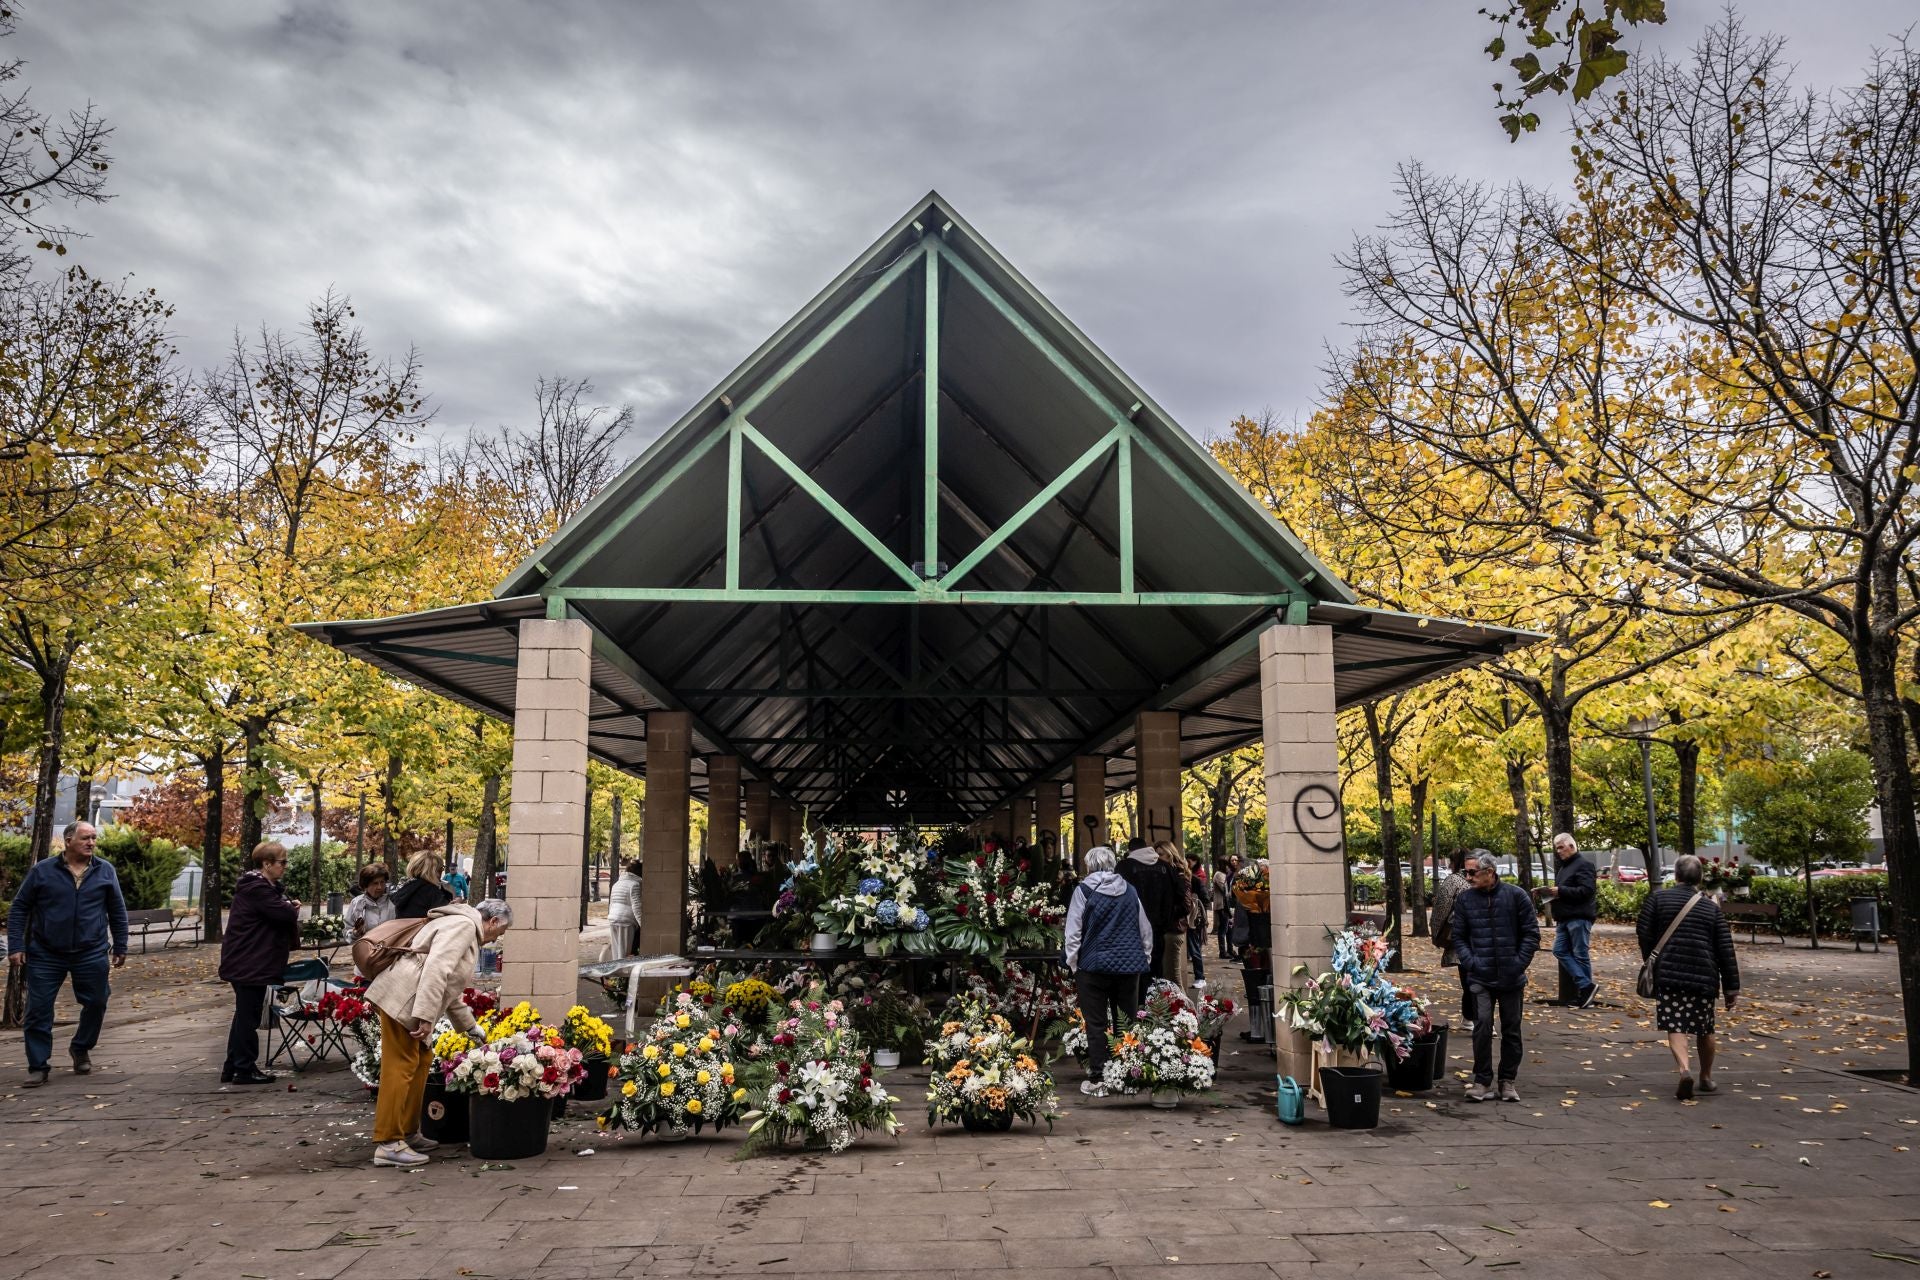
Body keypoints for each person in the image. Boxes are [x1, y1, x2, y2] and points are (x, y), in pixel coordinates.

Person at [363, 898, 514, 1167]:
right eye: (499, 933)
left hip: (408, 997)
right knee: (401, 1067)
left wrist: (470, 1026)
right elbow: (436, 970)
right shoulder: (464, 927)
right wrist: (424, 1015)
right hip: (403, 999)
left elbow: (449, 987)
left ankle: (407, 1132)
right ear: (493, 921)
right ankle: (388, 1142)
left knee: (419, 1061)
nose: (494, 940)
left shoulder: (460, 923)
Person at [6, 822, 128, 1087]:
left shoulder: (104, 870)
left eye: (94, 838)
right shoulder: (42, 871)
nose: (92, 843)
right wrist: (16, 946)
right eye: (86, 838)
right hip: (46, 953)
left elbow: (117, 911)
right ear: (68, 840)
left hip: (91, 951)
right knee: (38, 1010)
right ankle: (38, 1066)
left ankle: (81, 1047)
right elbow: (19, 909)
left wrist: (121, 946)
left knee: (97, 1002)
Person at [1637, 854, 1740, 1100]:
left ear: (1676, 875)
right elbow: (1725, 949)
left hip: (1670, 974)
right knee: (1705, 1028)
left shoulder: (1658, 898)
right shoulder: (1710, 908)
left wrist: (1652, 958)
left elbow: (1643, 929)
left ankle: (1684, 1070)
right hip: (1704, 975)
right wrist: (1731, 988)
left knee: (1675, 1024)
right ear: (1700, 878)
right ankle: (1706, 1077)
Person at [1062, 847, 1152, 1098]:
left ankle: (1099, 1078)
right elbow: (1144, 928)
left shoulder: (1083, 891)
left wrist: (1073, 963)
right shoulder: (1130, 891)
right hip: (1129, 967)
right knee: (1126, 1021)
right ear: (1112, 864)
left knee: (1096, 1023)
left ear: (1089, 866)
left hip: (1093, 966)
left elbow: (1073, 931)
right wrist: (1143, 957)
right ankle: (1127, 1077)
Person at [1451, 851, 1539, 1103]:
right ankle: (1481, 1080)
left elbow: (1531, 934)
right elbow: (1459, 937)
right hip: (1480, 976)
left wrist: (1517, 964)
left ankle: (1507, 1081)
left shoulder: (1516, 896)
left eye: (1471, 872)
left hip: (1511, 977)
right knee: (1482, 1027)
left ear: (1489, 872)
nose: (1467, 878)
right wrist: (1472, 963)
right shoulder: (1465, 900)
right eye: (1464, 873)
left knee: (1512, 1029)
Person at [217, 841, 301, 1085]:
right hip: (249, 962)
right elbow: (282, 914)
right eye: (282, 862)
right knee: (248, 1016)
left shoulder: (261, 887)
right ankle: (244, 1069)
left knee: (244, 1014)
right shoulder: (257, 888)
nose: (285, 866)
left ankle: (233, 1066)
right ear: (267, 864)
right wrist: (290, 906)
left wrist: (286, 904)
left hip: (248, 961)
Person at [1543, 832, 1598, 1008]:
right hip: (1565, 917)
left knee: (1580, 954)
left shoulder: (1584, 865)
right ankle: (1586, 987)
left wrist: (1560, 891)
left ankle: (1585, 994)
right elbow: (1565, 890)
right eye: (1556, 848)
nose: (1558, 851)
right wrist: (1547, 893)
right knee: (1559, 951)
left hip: (1578, 917)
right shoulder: (1565, 867)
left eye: (1561, 847)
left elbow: (1587, 890)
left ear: (1572, 846)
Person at [1117, 836, 1182, 983]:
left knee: (1133, 975)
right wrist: (1169, 918)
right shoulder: (1166, 867)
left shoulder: (1124, 867)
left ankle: (1136, 1003)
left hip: (1131, 931)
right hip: (1159, 929)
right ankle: (1154, 1002)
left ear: (1130, 850)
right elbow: (1180, 895)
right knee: (1155, 971)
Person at [1429, 849, 1473, 1030]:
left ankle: (1471, 1017)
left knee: (1469, 978)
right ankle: (1471, 1017)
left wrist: (1436, 934)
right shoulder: (1471, 881)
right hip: (1476, 938)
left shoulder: (1453, 880)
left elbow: (1441, 909)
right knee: (1473, 978)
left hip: (1461, 937)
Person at [388, 851, 453, 920]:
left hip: (405, 930)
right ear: (432, 871)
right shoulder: (431, 892)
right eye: (440, 869)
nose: (442, 872)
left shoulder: (404, 888)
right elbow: (446, 921)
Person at [345, 863, 397, 939]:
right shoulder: (356, 903)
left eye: (382, 882)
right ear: (365, 886)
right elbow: (346, 931)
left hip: (390, 948)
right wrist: (354, 934)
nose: (379, 887)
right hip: (366, 948)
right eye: (375, 883)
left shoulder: (393, 901)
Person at [607, 858, 643, 958]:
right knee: (625, 952)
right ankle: (623, 972)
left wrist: (610, 917)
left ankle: (616, 971)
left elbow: (611, 904)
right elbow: (637, 907)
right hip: (626, 921)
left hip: (613, 919)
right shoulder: (635, 885)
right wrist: (643, 926)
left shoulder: (617, 884)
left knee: (616, 951)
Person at [1212, 858, 1233, 958]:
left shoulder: (1224, 875)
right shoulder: (1219, 875)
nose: (1229, 867)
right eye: (1227, 865)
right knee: (1223, 928)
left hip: (1225, 905)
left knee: (1229, 928)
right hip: (1222, 905)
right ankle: (1222, 952)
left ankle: (1230, 950)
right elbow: (1224, 889)